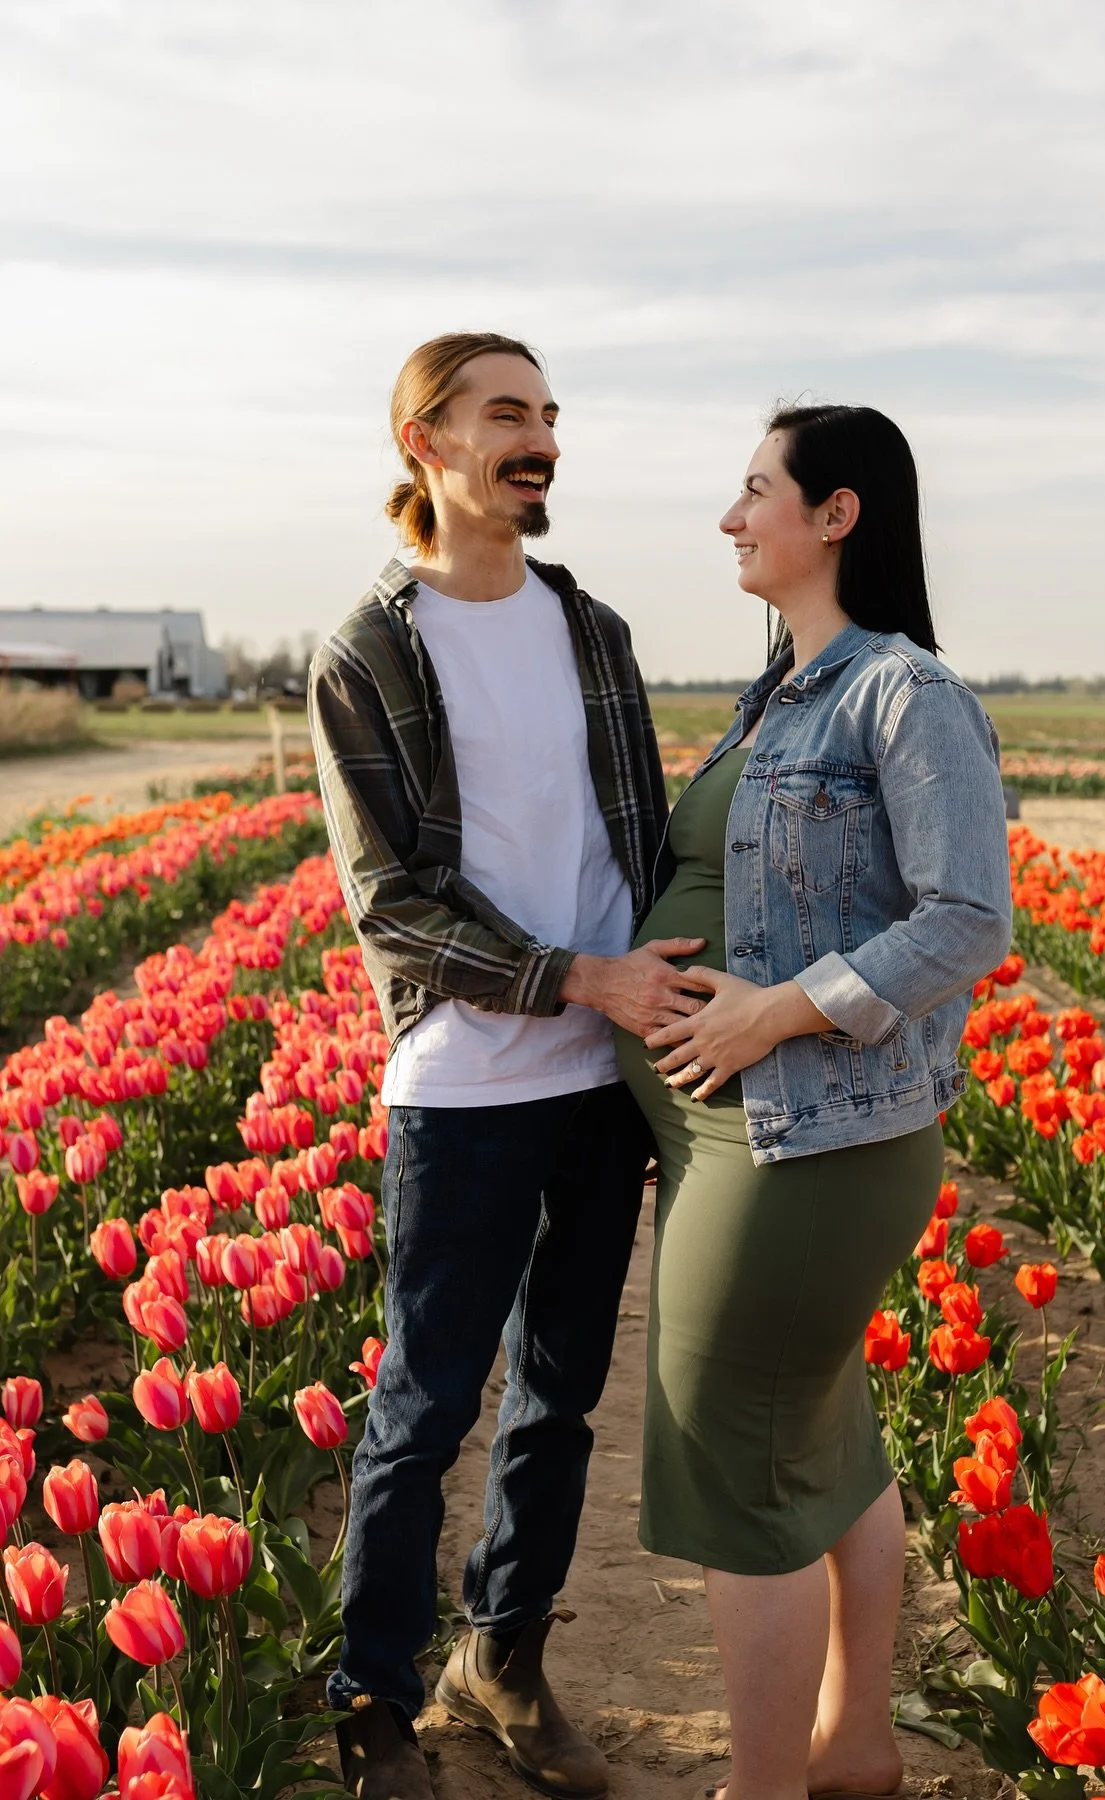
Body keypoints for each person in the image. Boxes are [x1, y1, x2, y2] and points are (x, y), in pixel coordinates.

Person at [309, 332, 703, 1800]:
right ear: (424, 443)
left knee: (558, 1395)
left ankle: (506, 1654)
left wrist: (653, 987)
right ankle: (373, 1695)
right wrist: (571, 976)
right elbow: (391, 904)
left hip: (601, 1081)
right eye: (506, 415)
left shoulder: (587, 627)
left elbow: (636, 836)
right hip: (468, 1086)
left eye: (549, 414)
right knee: (422, 1407)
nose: (539, 438)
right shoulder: (369, 650)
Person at [612, 404, 1013, 1800]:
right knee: (824, 1439)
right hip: (744, 1128)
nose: (732, 519)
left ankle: (764, 1787)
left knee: (740, 1472)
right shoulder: (781, 692)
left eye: (754, 491)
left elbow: (969, 919)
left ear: (836, 515)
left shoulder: (903, 691)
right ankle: (851, 1751)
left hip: (806, 1134)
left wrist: (769, 1010)